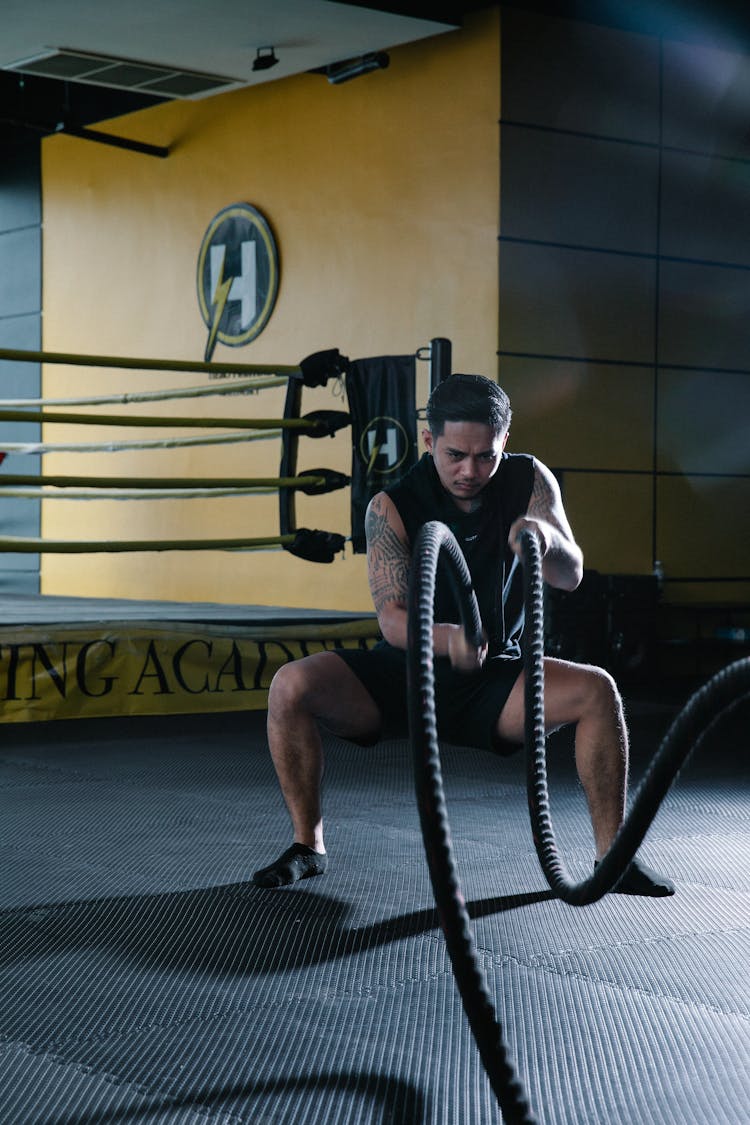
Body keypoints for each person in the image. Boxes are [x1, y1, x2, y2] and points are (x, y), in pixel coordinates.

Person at [253, 374, 674, 897]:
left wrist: (541, 537)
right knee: (291, 684)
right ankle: (307, 845)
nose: (470, 471)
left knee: (598, 690)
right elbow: (391, 618)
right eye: (455, 455)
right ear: (429, 441)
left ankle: (613, 856)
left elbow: (572, 574)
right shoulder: (392, 505)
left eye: (485, 457)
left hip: (494, 680)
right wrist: (450, 637)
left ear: (504, 441)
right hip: (405, 677)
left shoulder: (528, 480)